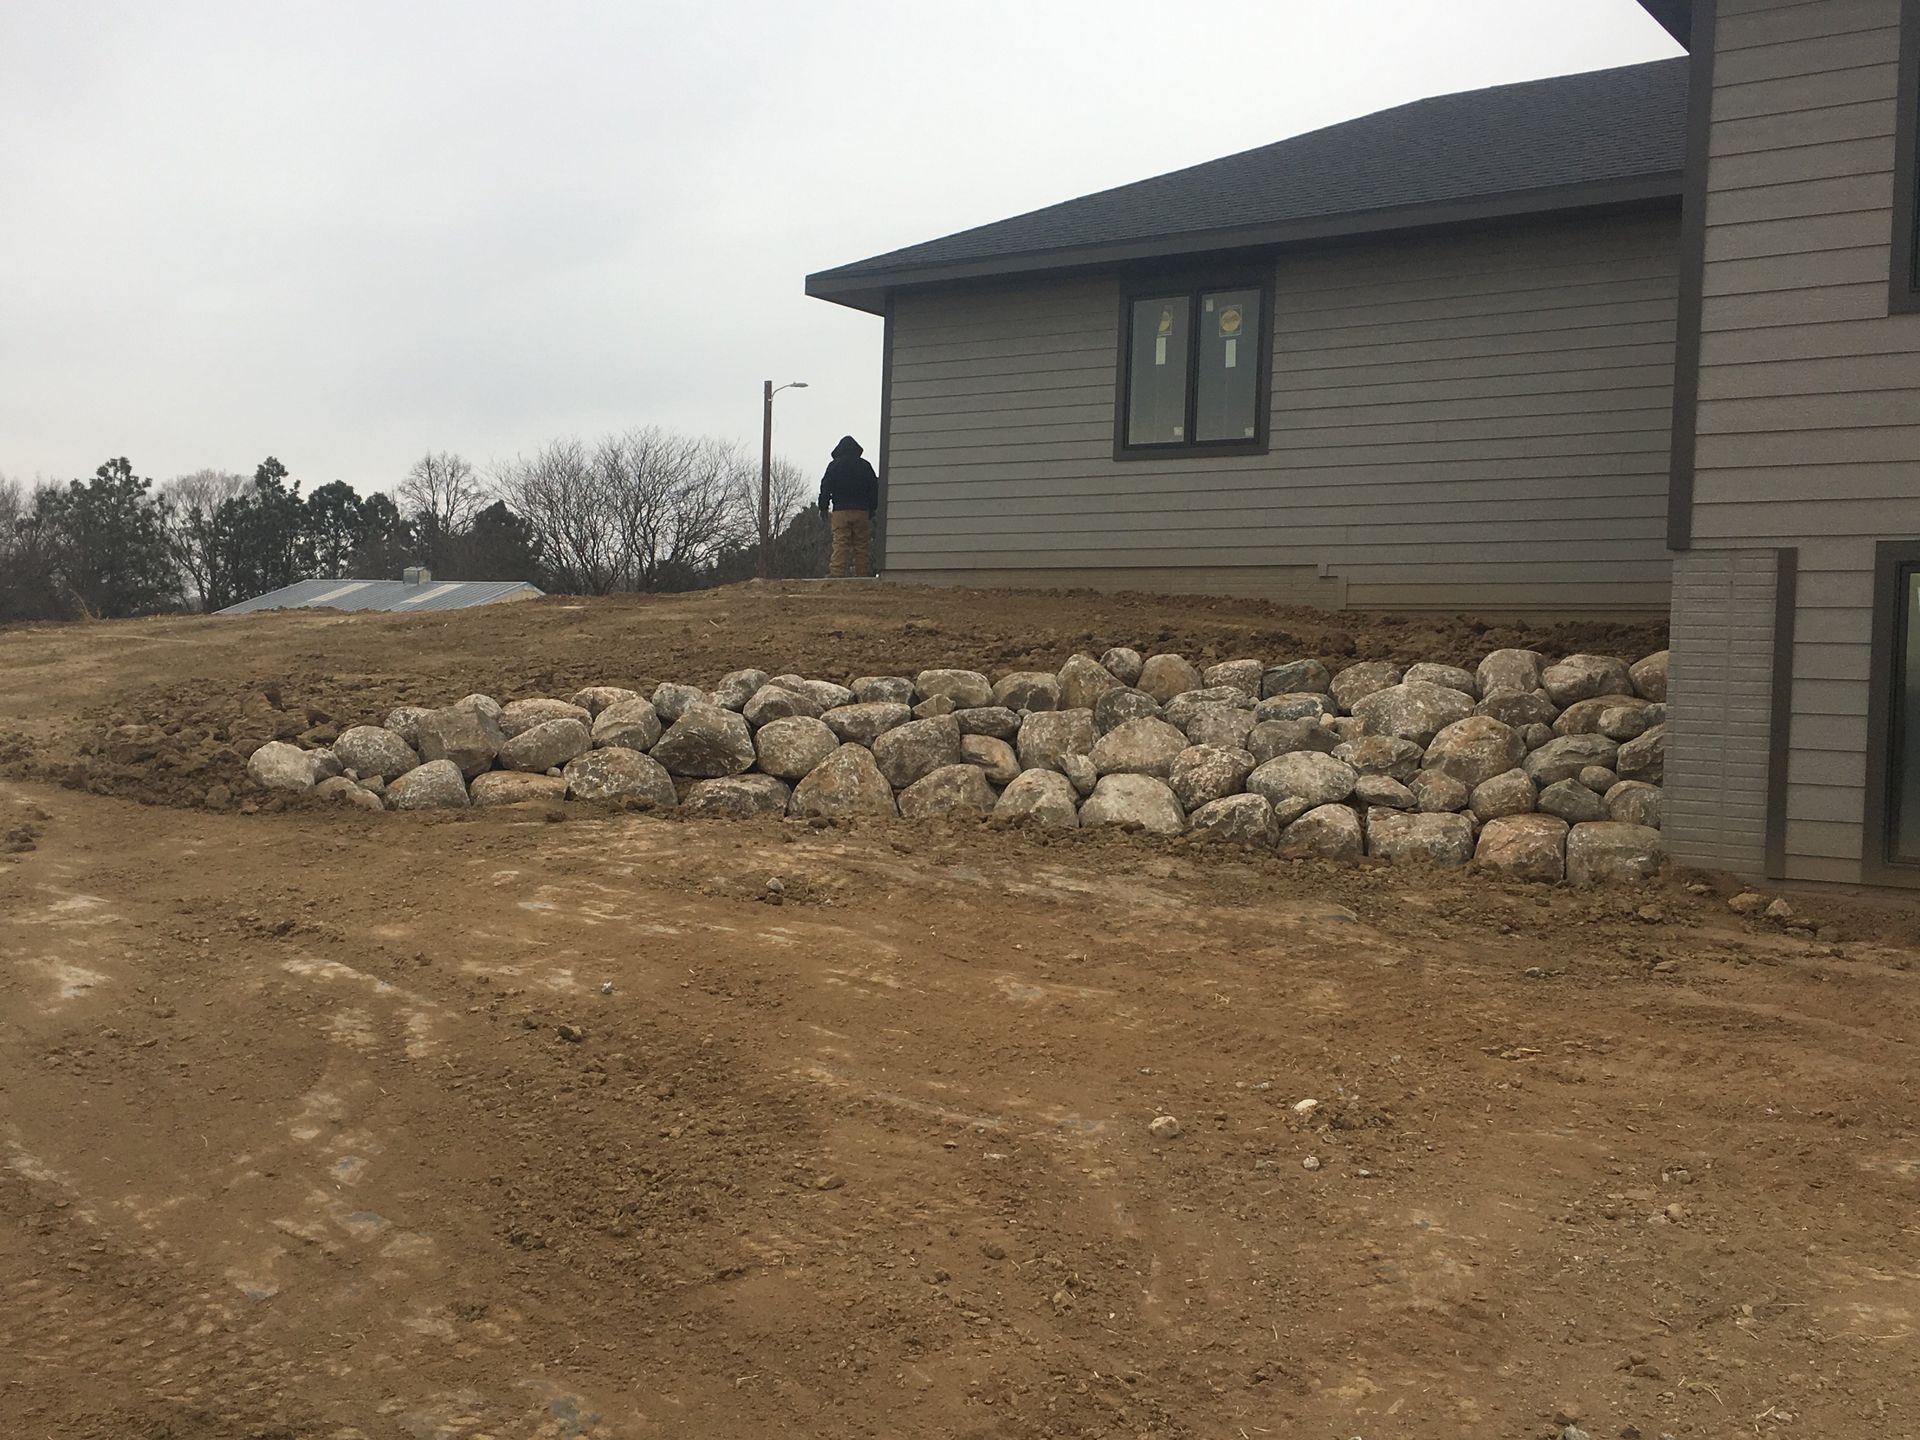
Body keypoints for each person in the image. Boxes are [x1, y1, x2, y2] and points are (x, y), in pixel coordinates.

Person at [817, 435, 879, 578]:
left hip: (841, 511)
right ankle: (863, 574)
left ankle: (837, 574)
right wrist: (872, 508)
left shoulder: (834, 466)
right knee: (861, 544)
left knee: (840, 542)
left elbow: (825, 487)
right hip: (862, 511)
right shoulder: (865, 466)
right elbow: (874, 487)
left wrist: (823, 508)